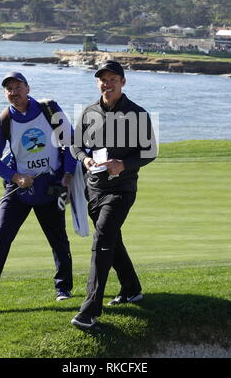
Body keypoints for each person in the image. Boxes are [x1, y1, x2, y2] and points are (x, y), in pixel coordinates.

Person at [0, 71, 76, 315]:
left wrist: (68, 177)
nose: (13, 93)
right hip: (18, 189)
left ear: (28, 87)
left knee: (57, 237)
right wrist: (15, 177)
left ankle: (63, 287)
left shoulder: (49, 109)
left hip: (54, 185)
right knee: (1, 239)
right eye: (8, 89)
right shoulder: (3, 120)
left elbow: (71, 143)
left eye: (17, 87)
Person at [70, 60, 156, 328]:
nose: (107, 84)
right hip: (93, 188)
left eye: (112, 79)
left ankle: (90, 310)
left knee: (101, 240)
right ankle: (131, 289)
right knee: (111, 239)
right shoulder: (88, 112)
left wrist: (124, 164)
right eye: (103, 79)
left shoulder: (138, 114)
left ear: (122, 82)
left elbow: (150, 152)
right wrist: (84, 159)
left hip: (121, 189)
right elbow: (76, 146)